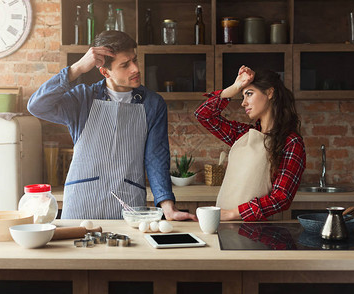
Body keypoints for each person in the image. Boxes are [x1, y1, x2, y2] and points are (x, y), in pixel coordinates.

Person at [28, 30, 196, 221]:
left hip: (128, 203)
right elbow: (36, 106)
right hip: (82, 202)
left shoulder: (153, 103)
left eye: (135, 60)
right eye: (125, 65)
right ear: (105, 71)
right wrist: (77, 69)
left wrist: (167, 206)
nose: (135, 69)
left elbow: (156, 157)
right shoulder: (83, 98)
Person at [194, 66, 306, 221]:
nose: (243, 103)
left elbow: (281, 197)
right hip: (221, 224)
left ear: (269, 93)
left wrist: (233, 213)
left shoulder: (291, 142)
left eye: (249, 94)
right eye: (243, 96)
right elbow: (203, 115)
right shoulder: (243, 134)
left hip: (255, 231)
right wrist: (235, 87)